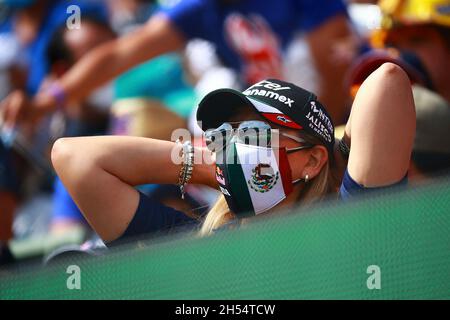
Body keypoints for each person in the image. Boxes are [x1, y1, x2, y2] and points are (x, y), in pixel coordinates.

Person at [51, 63, 415, 244]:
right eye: (224, 135)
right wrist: (218, 168)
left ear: (312, 159)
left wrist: (332, 163)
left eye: (254, 133)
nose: (233, 146)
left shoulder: (351, 223)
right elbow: (74, 157)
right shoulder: (198, 247)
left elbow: (386, 82)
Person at [0, 0, 354, 132]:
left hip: (341, 113)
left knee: (301, 59)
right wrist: (45, 102)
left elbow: (338, 60)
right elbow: (119, 55)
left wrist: (322, 141)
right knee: (209, 109)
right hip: (283, 128)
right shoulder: (200, 10)